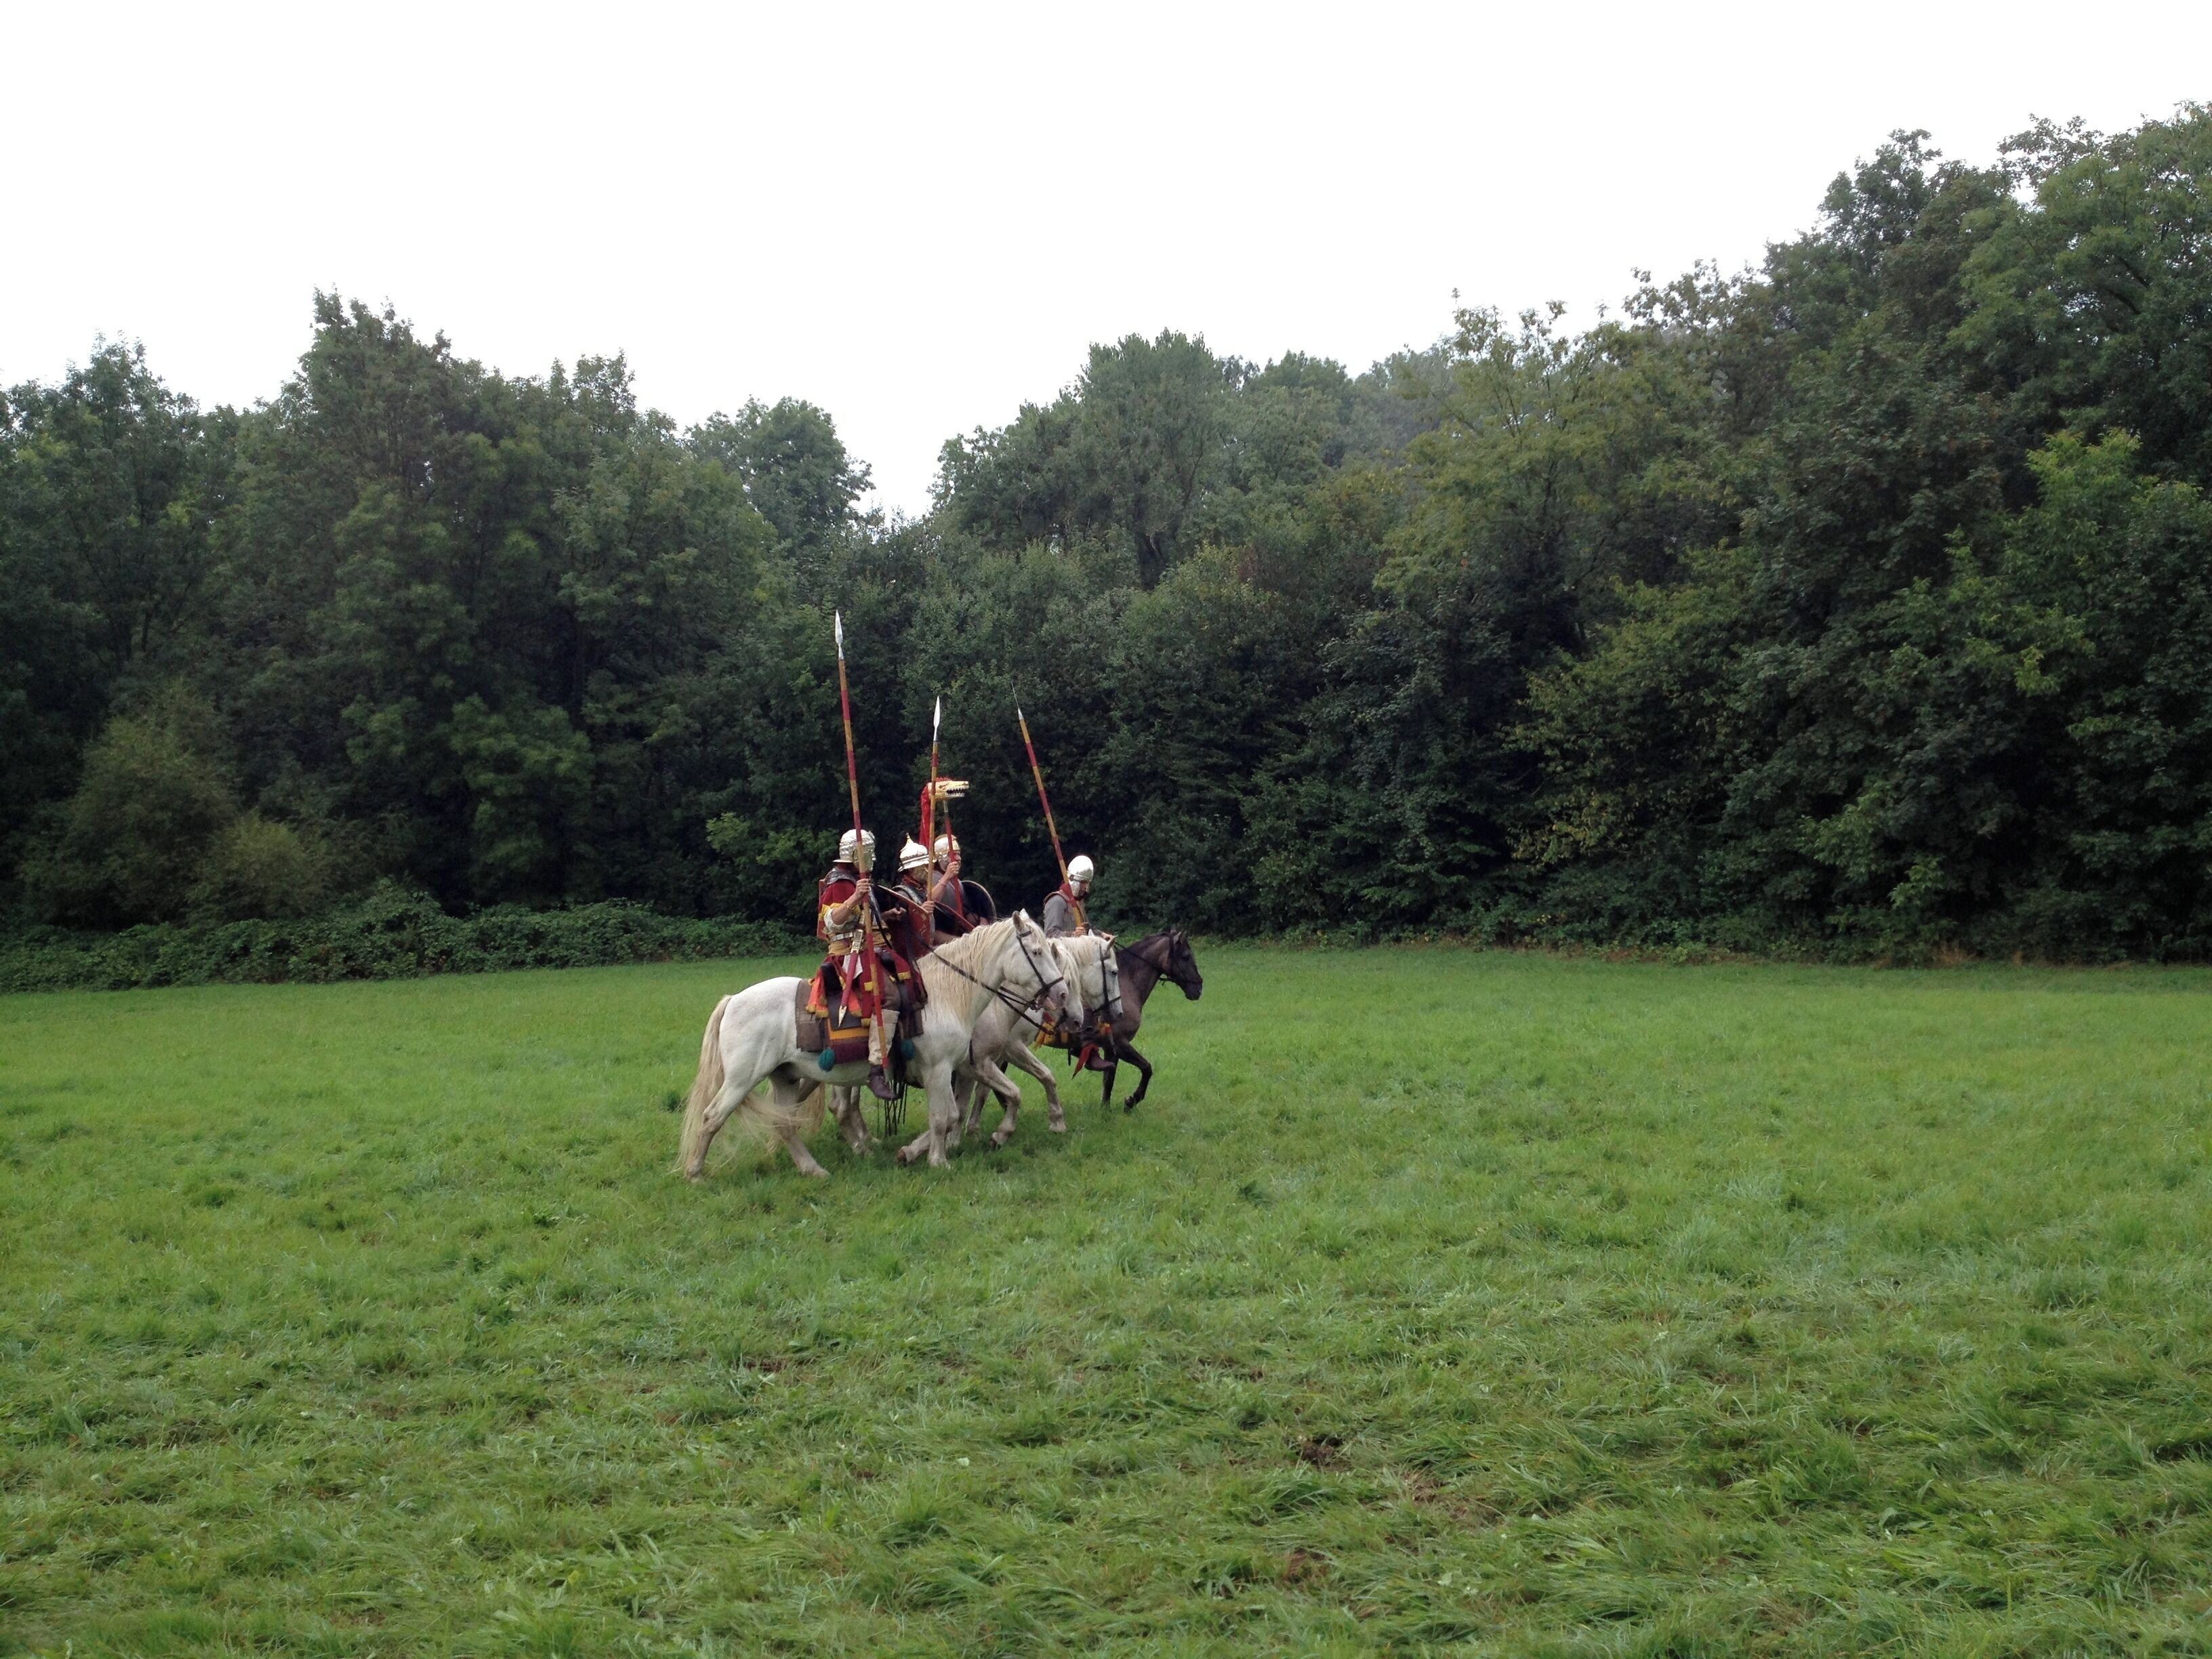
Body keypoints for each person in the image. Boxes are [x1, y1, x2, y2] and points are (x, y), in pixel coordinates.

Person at [812, 829, 907, 1100]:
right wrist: (855, 896)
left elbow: (863, 920)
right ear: (855, 854)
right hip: (849, 955)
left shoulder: (859, 879)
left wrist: (887, 915)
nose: (872, 858)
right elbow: (832, 922)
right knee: (889, 997)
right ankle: (876, 1069)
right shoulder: (840, 882)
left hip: (871, 949)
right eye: (867, 853)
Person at [1042, 853, 1094, 937]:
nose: (1086, 887)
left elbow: (1087, 932)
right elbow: (1050, 935)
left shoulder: (1079, 902)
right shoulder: (1057, 901)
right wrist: (1073, 934)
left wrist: (1101, 935)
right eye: (1083, 882)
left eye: (1088, 883)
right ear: (1074, 880)